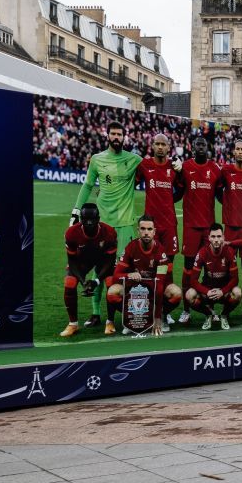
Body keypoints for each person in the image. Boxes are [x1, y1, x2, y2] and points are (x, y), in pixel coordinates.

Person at [72, 120, 142, 328]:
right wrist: (77, 210)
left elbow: (156, 166)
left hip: (125, 223)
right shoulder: (97, 159)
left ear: (124, 136)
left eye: (120, 134)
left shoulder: (134, 159)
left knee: (125, 269)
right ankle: (95, 314)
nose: (116, 137)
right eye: (113, 134)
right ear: (107, 136)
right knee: (99, 269)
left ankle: (124, 315)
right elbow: (87, 186)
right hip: (102, 225)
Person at [108, 215, 183, 335]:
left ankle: (163, 316)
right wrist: (129, 275)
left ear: (154, 231)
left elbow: (159, 284)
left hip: (155, 288)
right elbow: (116, 275)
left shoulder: (161, 252)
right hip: (136, 289)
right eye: (143, 229)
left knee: (176, 293)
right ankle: (131, 318)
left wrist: (157, 317)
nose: (146, 232)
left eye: (149, 229)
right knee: (112, 291)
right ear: (138, 231)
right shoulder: (130, 247)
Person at [178, 137, 221, 324]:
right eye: (198, 145)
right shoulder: (185, 167)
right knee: (188, 269)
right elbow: (178, 192)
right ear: (192, 147)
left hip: (209, 230)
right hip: (191, 227)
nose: (201, 148)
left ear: (208, 148)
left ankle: (207, 306)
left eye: (204, 145)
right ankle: (186, 310)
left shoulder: (215, 169)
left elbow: (221, 196)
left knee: (209, 269)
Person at [59, 203, 118, 337]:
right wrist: (83, 281)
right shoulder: (71, 233)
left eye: (93, 219)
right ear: (80, 219)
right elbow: (72, 261)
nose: (89, 223)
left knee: (111, 283)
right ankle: (73, 324)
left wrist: (96, 281)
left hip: (104, 261)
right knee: (69, 282)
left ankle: (110, 321)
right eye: (85, 220)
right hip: (81, 261)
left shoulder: (109, 232)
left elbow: (110, 261)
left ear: (99, 219)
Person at [136, 133, 183, 266]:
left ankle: (166, 285)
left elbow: (181, 190)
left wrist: (168, 201)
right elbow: (131, 184)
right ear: (152, 146)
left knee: (169, 262)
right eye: (157, 144)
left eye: (163, 144)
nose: (160, 147)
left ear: (168, 147)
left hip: (169, 223)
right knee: (149, 260)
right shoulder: (145, 165)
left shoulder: (174, 166)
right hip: (150, 224)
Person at [187, 223, 242, 330]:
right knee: (190, 295)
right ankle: (209, 314)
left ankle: (224, 315)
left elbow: (235, 279)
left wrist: (222, 291)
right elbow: (193, 281)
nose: (216, 240)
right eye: (213, 236)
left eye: (219, 236)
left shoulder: (229, 252)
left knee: (237, 293)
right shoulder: (202, 253)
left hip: (224, 292)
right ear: (209, 238)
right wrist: (206, 291)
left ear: (223, 237)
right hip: (208, 292)